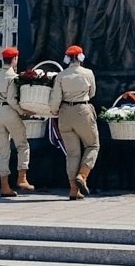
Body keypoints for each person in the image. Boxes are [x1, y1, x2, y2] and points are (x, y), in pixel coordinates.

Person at [48, 44, 99, 200]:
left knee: (72, 153)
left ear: (67, 58)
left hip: (65, 114)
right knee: (92, 145)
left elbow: (55, 99)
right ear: (81, 57)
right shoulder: (88, 73)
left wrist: (54, 111)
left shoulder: (61, 76)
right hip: (82, 111)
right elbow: (92, 93)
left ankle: (73, 190)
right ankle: (82, 176)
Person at [0, 46, 35, 198]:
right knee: (22, 144)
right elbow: (12, 100)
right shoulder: (13, 77)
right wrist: (24, 111)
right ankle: (22, 178)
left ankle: (4, 186)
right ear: (15, 59)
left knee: (3, 150)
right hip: (10, 111)